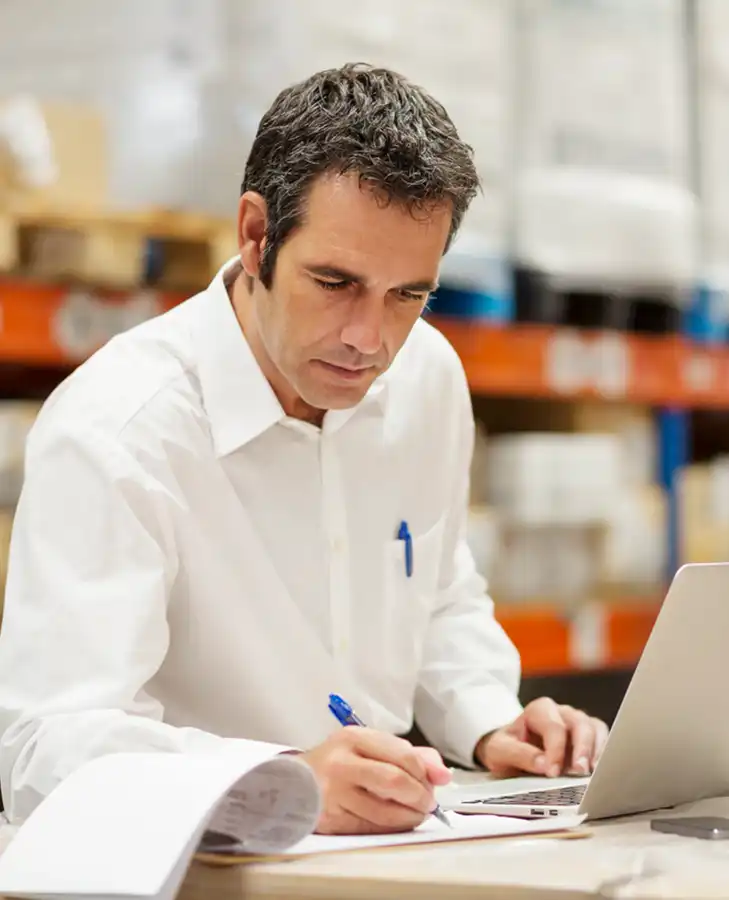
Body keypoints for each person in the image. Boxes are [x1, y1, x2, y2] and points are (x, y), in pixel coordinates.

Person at [0, 64, 607, 833]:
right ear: (257, 236)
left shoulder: (427, 379)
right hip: (205, 868)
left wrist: (493, 723)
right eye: (335, 282)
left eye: (407, 296)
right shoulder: (120, 430)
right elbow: (44, 750)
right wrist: (274, 783)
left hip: (385, 849)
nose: (370, 339)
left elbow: (438, 590)